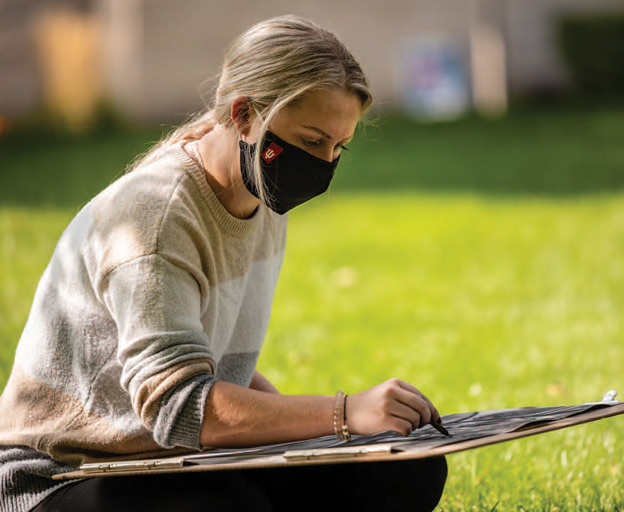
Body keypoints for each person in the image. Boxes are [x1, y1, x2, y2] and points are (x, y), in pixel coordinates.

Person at [0, 15, 448, 512]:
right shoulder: (154, 219)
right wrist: (343, 414)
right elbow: (179, 407)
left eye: (339, 147)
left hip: (186, 460)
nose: (324, 164)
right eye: (311, 141)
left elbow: (214, 365)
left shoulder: (261, 191)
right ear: (242, 114)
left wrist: (315, 442)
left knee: (404, 470)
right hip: (65, 474)